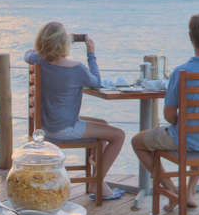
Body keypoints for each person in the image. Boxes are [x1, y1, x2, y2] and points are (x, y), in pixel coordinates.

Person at [133, 12, 199, 210]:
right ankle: (188, 192)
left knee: (137, 142)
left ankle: (173, 191)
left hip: (190, 140)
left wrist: (178, 121)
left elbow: (168, 115)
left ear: (190, 37)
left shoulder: (182, 72)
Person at [22, 21, 127, 200]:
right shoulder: (76, 68)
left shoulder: (38, 61)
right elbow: (97, 82)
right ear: (63, 43)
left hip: (45, 127)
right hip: (65, 129)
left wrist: (57, 41)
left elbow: (27, 53)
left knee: (103, 126)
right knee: (118, 135)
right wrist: (91, 53)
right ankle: (96, 182)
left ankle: (97, 181)